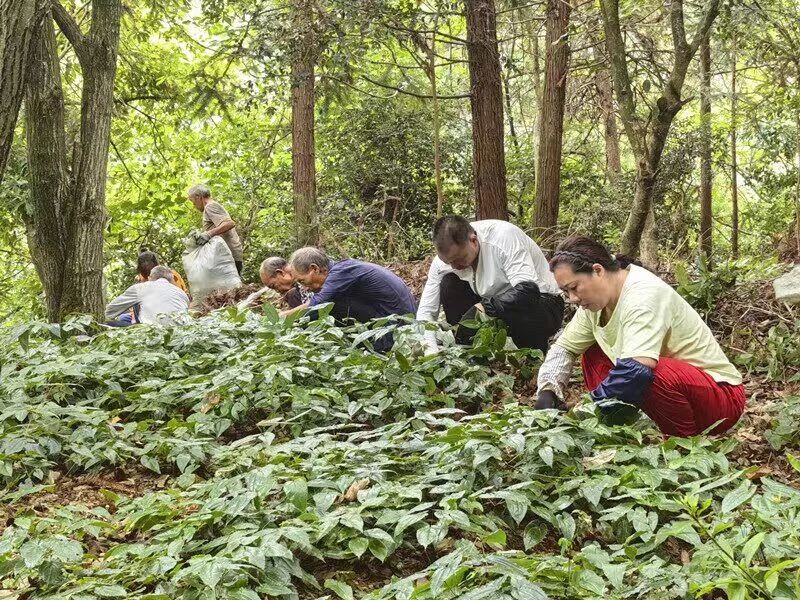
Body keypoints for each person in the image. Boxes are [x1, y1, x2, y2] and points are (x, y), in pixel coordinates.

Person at [535, 235, 746, 438]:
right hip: (677, 393)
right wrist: (548, 390)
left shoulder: (642, 295)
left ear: (597, 270)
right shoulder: (595, 304)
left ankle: (681, 444)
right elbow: (565, 348)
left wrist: (584, 412)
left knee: (649, 372)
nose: (572, 299)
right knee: (591, 351)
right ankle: (618, 429)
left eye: (574, 288)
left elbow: (635, 372)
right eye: (566, 292)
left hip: (721, 398)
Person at [416, 216, 564, 355]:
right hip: (494, 303)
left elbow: (528, 291)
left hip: (543, 303)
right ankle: (467, 349)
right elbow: (427, 310)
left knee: (521, 308)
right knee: (449, 283)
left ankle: (533, 357)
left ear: (473, 240)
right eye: (448, 262)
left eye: (459, 259)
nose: (454, 266)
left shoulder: (504, 238)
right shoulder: (445, 261)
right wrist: (430, 350)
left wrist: (485, 307)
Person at [287, 247, 417, 350]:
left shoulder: (340, 272)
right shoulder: (341, 270)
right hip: (395, 319)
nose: (305, 288)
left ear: (314, 269)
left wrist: (282, 318)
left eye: (303, 281)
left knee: (328, 306)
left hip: (397, 327)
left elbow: (317, 305)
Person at [187, 184, 244, 274]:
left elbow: (229, 223)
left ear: (198, 197)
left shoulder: (210, 206)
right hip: (227, 255)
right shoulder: (211, 206)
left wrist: (208, 234)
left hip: (228, 256)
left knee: (227, 287)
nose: (193, 205)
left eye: (192, 201)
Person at [106, 266, 190, 326]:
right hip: (180, 333)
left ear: (149, 278)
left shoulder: (140, 288)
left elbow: (110, 311)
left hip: (152, 333)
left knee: (110, 323)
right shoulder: (182, 293)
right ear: (171, 280)